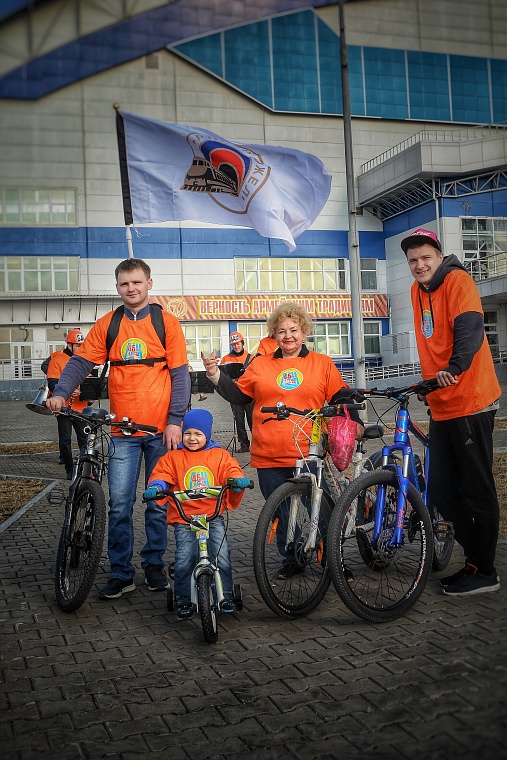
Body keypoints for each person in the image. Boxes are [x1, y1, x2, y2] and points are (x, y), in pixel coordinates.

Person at [46, 258, 190, 600]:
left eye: (137, 282)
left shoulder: (166, 322)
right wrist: (61, 392)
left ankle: (154, 565)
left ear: (149, 284)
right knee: (119, 504)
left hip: (160, 432)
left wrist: (175, 420)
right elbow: (80, 362)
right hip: (122, 432)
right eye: (125, 284)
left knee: (157, 502)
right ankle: (121, 573)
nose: (131, 288)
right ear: (117, 288)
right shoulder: (108, 324)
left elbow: (180, 375)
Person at [402, 228, 501, 596]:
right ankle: (478, 559)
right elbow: (431, 341)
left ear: (439, 257)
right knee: (442, 491)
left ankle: (485, 570)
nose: (419, 265)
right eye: (413, 260)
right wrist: (428, 385)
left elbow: (470, 329)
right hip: (442, 404)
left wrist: (456, 367)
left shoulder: (458, 281)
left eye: (426, 257)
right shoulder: (416, 291)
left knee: (477, 489)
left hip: (471, 400)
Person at [203, 302, 363, 501]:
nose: (288, 336)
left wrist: (356, 422)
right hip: (269, 456)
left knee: (319, 513)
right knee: (279, 515)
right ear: (274, 335)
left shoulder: (322, 363)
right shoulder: (260, 364)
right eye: (281, 331)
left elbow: (340, 396)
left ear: (304, 332)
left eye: (293, 330)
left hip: (309, 453)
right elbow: (240, 396)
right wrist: (215, 374)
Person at [144, 408, 250, 620]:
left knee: (221, 555)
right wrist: (157, 486)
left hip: (212, 515)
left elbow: (230, 469)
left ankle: (225, 595)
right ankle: (183, 597)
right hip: (185, 518)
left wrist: (236, 480)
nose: (192, 438)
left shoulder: (219, 455)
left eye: (198, 434)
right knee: (184, 558)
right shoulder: (173, 457)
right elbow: (162, 474)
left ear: (207, 434)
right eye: (188, 433)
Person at [46, 328, 88, 479]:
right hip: (63, 409)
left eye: (82, 345)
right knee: (65, 441)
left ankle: (84, 468)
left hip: (80, 409)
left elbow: (90, 384)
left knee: (85, 440)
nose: (81, 348)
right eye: (78, 345)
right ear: (69, 345)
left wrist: (83, 392)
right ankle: (70, 470)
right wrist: (69, 391)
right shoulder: (56, 361)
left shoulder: (84, 361)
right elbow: (52, 384)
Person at [220, 331, 253, 453]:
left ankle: (257, 443)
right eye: (234, 344)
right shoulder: (226, 359)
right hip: (235, 393)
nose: (236, 346)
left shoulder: (251, 358)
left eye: (238, 343)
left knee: (252, 420)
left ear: (242, 343)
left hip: (249, 394)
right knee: (239, 420)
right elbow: (222, 376)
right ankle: (244, 445)